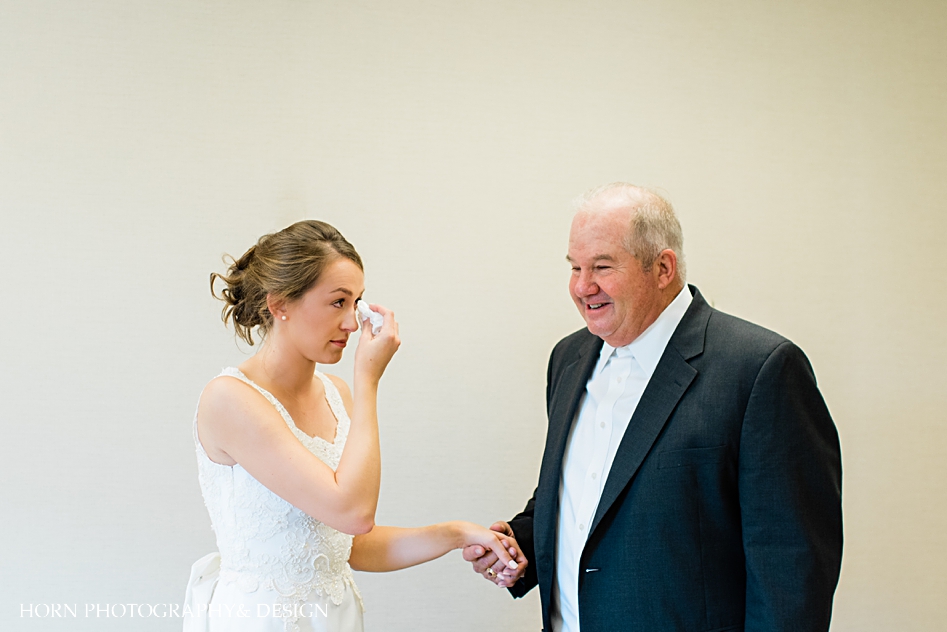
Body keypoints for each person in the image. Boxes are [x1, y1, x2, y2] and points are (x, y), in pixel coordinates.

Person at [464, 184, 843, 631]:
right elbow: (591, 494)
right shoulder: (566, 358)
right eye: (575, 267)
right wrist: (522, 542)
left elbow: (791, 567)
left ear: (663, 267)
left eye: (602, 267)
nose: (583, 287)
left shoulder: (761, 368)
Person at [184, 220, 522, 632]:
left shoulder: (336, 394)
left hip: (334, 617)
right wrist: (369, 381)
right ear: (279, 305)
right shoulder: (230, 400)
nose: (352, 323)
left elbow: (352, 545)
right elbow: (353, 512)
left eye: (356, 303)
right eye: (337, 302)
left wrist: (457, 534)